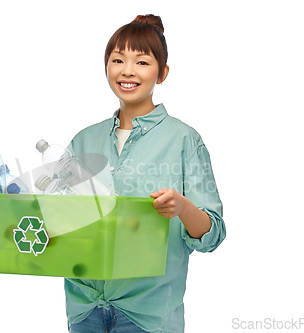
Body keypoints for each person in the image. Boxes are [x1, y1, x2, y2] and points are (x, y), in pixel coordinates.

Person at [65, 14, 226, 332]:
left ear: (162, 73)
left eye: (142, 62)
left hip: (148, 317)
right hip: (84, 310)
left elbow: (213, 234)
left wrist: (182, 207)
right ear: (106, 68)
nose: (127, 71)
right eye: (117, 60)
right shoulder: (82, 141)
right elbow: (60, 217)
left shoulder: (183, 140)